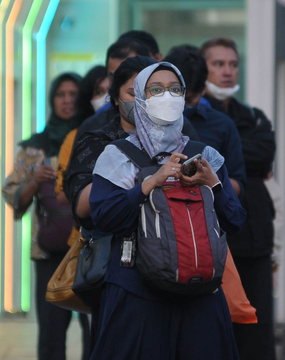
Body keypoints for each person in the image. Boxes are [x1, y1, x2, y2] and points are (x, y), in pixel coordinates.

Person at [88, 61, 246, 359]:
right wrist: (148, 185)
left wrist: (213, 184)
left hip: (200, 292)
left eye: (175, 90)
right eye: (156, 89)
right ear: (140, 97)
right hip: (137, 292)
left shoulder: (205, 156)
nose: (167, 96)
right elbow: (105, 218)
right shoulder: (117, 156)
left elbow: (235, 220)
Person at [63, 56, 158, 353]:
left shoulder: (182, 139)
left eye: (150, 92)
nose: (142, 100)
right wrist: (138, 179)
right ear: (115, 98)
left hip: (171, 267)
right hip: (120, 269)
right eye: (133, 92)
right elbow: (81, 205)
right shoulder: (98, 139)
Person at [2, 72, 90, 360]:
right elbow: (12, 193)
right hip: (49, 252)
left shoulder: (94, 138)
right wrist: (34, 181)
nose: (67, 100)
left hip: (90, 248)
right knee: (51, 331)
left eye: (73, 94)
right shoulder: (35, 147)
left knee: (96, 329)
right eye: (60, 95)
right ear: (52, 100)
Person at [200, 37, 277, 360]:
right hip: (215, 242)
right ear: (202, 70)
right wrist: (235, 155)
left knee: (257, 334)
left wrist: (226, 152)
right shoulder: (195, 118)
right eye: (218, 64)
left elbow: (264, 153)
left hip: (255, 239)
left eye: (232, 64)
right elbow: (202, 154)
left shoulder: (254, 116)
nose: (227, 71)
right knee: (216, 334)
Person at [163, 45, 246, 198]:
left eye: (188, 100)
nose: (181, 107)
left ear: (203, 90)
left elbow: (239, 186)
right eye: (176, 95)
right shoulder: (145, 123)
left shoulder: (222, 125)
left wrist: (209, 180)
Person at [55, 65, 109, 204]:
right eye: (99, 92)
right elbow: (61, 195)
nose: (106, 98)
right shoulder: (75, 136)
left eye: (111, 91)